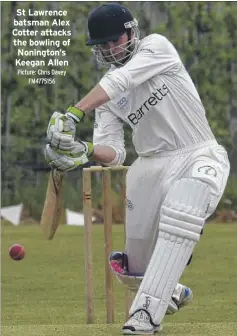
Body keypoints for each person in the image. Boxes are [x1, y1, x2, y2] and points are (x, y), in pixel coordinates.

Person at [45, 3, 230, 334]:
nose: (108, 49)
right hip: (148, 168)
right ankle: (167, 288)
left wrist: (73, 113)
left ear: (131, 33)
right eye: (101, 45)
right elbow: (114, 153)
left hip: (197, 153)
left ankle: (145, 315)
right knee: (134, 271)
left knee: (184, 205)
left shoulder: (156, 47)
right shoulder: (107, 98)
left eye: (114, 41)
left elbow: (123, 79)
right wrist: (83, 150)